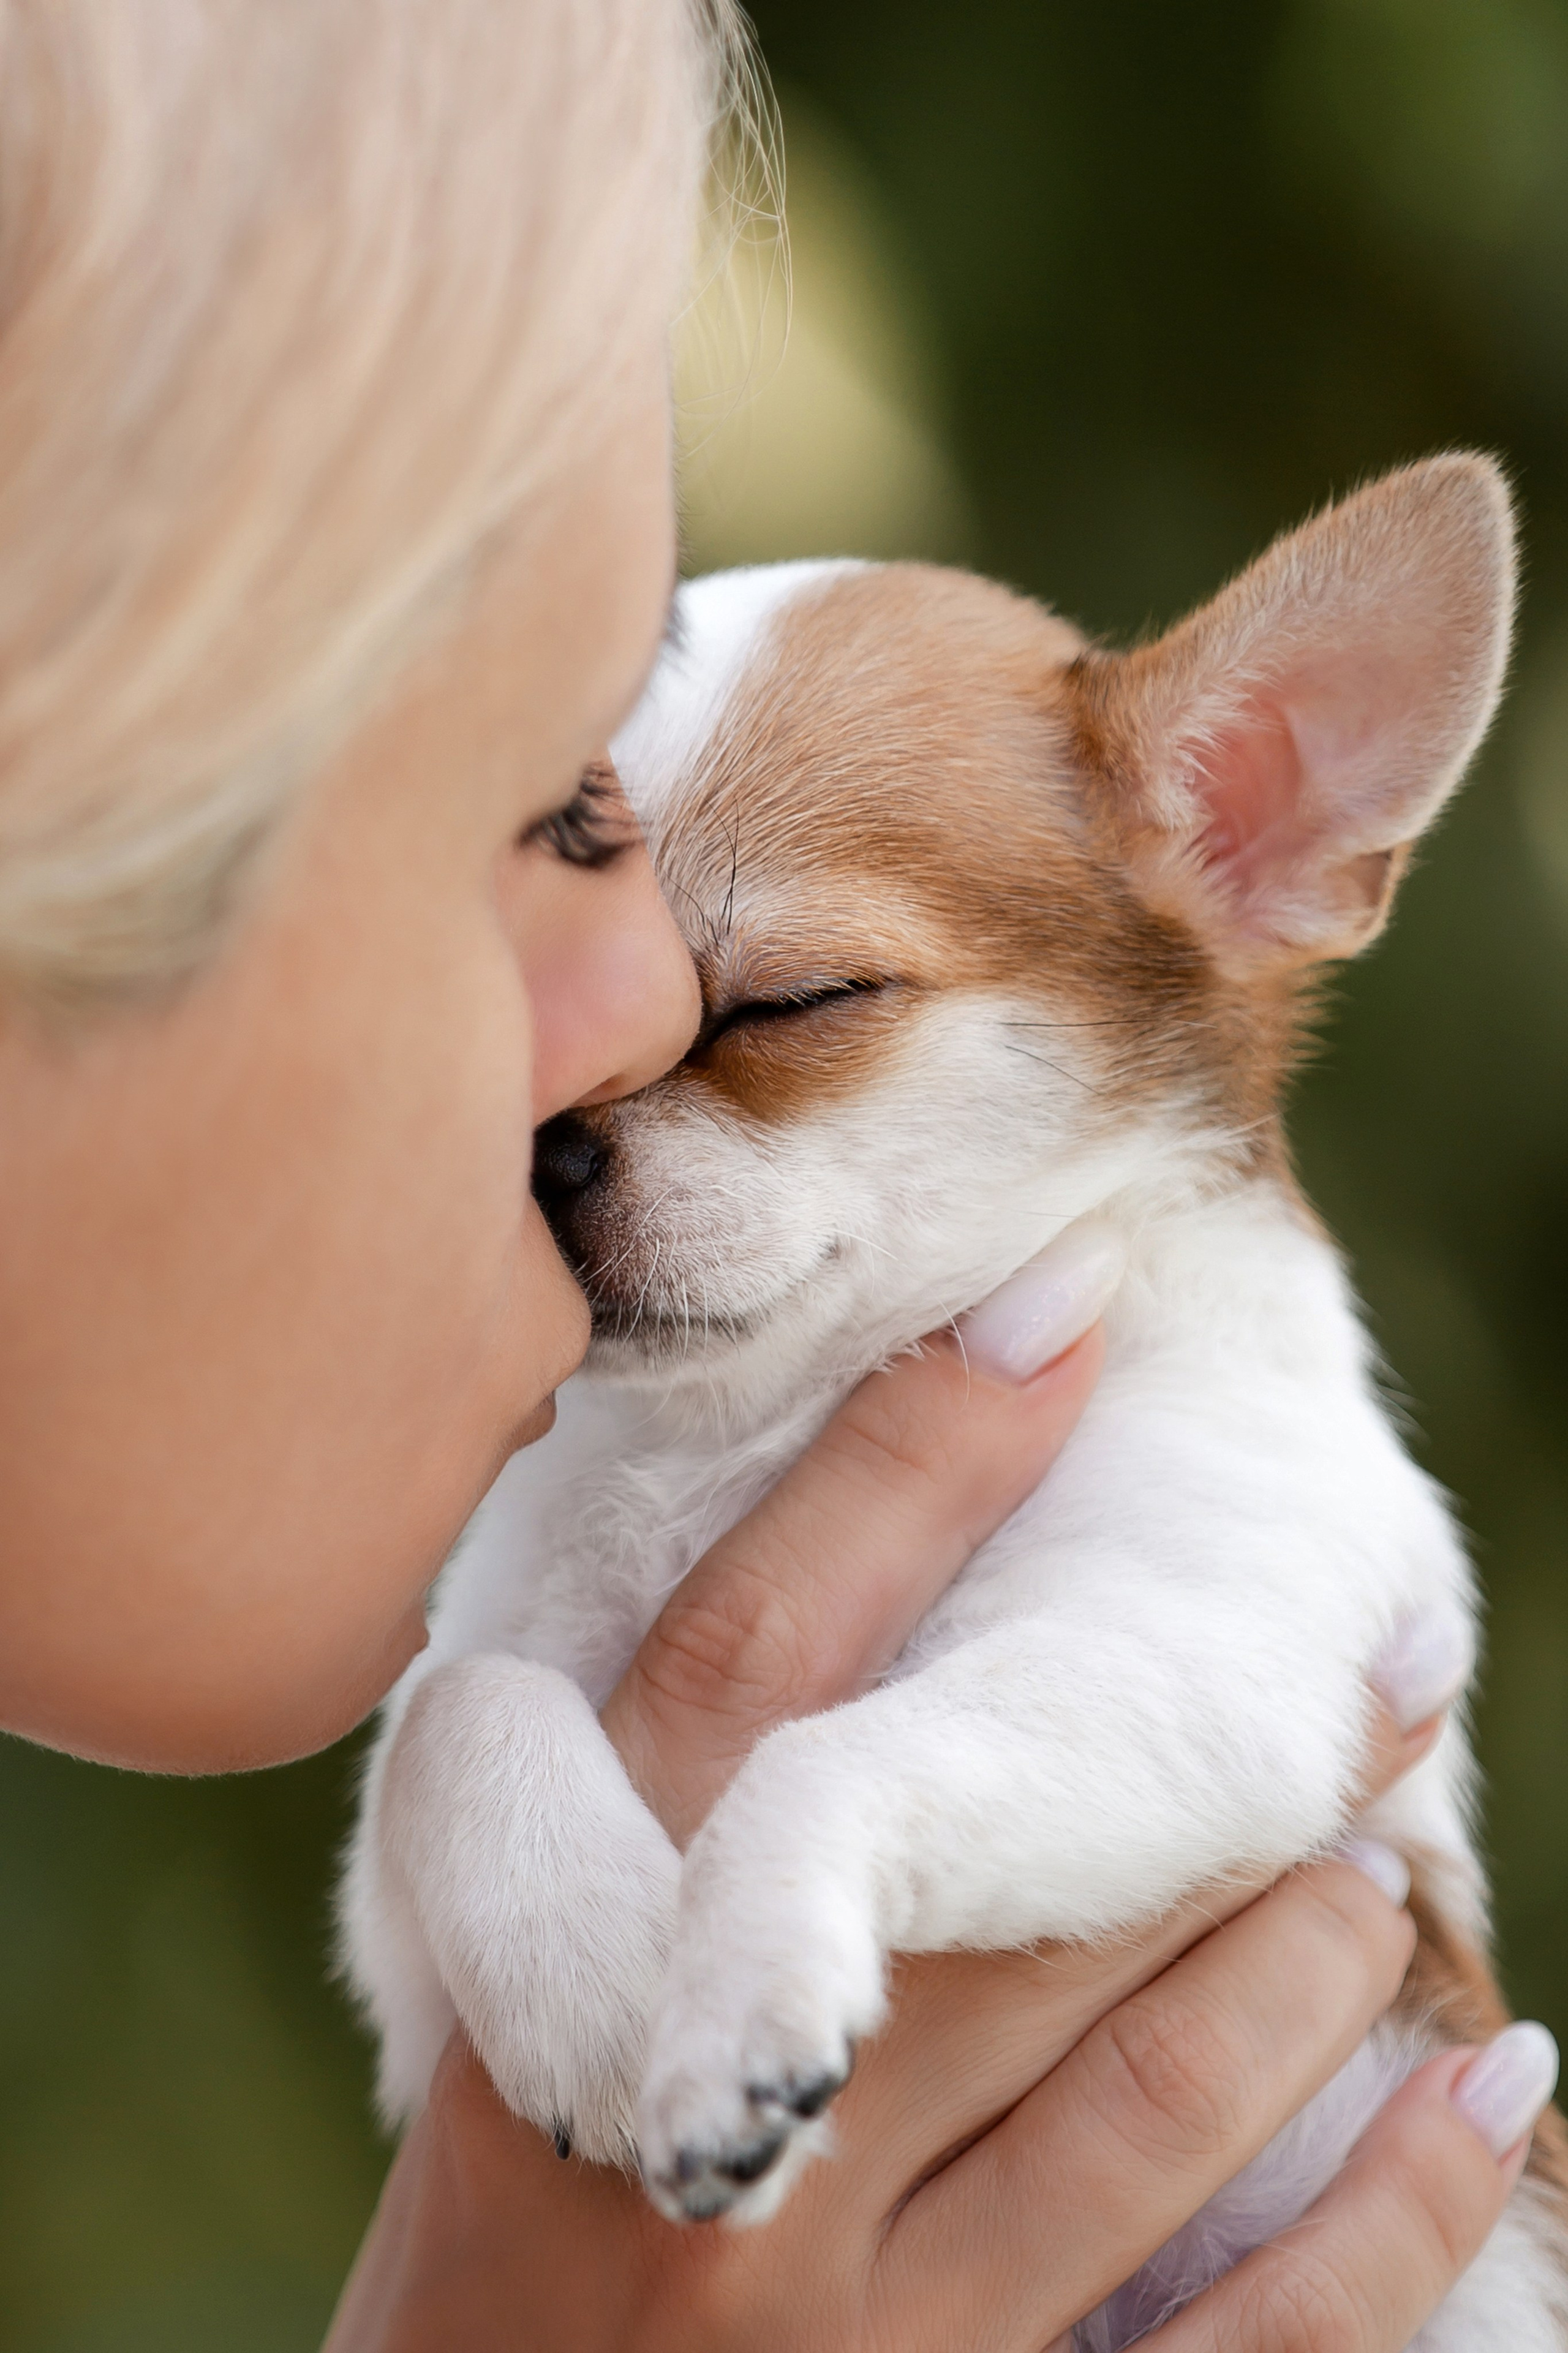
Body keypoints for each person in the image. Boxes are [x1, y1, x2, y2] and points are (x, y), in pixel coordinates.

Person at [0, 4, 1551, 2346]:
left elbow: (1237, 1712)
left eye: (799, 1010)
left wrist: (829, 1837)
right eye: (535, 821)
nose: (616, 1049)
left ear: (1258, 842)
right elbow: (489, 1957)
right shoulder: (551, 1403)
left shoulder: (1206, 1406)